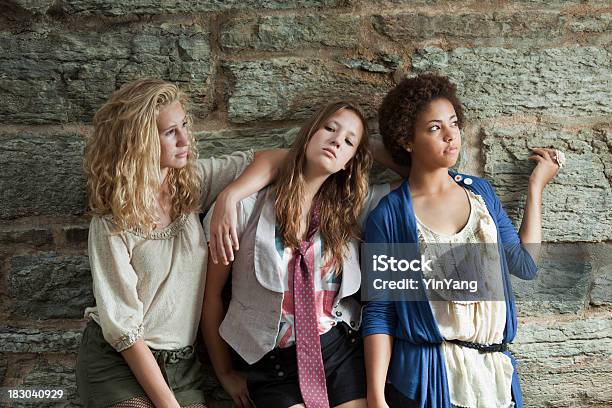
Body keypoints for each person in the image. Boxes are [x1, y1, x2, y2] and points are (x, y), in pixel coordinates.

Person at [75, 78, 287, 408]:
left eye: (184, 125)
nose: (185, 139)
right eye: (169, 132)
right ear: (140, 141)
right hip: (118, 361)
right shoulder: (111, 221)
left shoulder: (192, 184)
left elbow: (277, 159)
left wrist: (230, 196)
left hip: (181, 366)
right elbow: (126, 332)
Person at [362, 73, 560, 408]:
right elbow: (380, 311)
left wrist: (535, 188)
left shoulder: (480, 194)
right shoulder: (390, 218)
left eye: (453, 122)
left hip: (494, 382)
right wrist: (376, 396)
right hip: (427, 381)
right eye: (434, 128)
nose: (452, 135)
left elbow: (524, 264)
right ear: (406, 140)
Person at [202, 101, 402, 408]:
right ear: (309, 133)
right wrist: (225, 371)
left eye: (348, 140)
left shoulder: (351, 211)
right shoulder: (244, 207)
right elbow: (212, 295)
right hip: (273, 367)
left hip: (338, 355)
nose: (337, 140)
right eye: (329, 129)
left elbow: (418, 175)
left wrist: (365, 147)